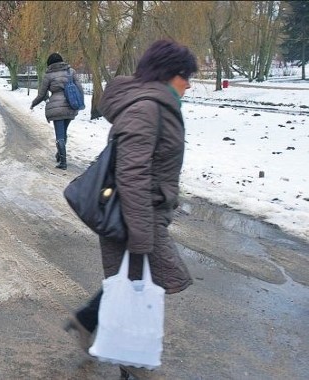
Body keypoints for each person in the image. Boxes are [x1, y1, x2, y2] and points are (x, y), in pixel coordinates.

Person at [63, 39, 198, 367]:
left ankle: (92, 325)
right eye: (185, 76)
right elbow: (132, 172)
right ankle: (131, 361)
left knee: (136, 284)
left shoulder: (153, 103)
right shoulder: (147, 107)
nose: (189, 84)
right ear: (168, 74)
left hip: (144, 213)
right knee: (144, 287)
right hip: (136, 215)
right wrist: (139, 232)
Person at [30, 53, 83, 170]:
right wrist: (80, 103)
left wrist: (34, 103)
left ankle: (63, 162)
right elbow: (79, 88)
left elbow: (42, 94)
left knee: (60, 134)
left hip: (56, 108)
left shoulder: (48, 75)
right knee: (64, 132)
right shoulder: (71, 72)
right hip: (70, 106)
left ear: (49, 64)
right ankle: (60, 154)